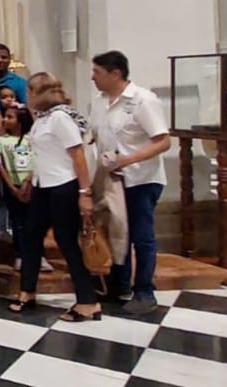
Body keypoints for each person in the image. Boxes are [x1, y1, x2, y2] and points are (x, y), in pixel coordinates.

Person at [10, 73, 101, 322]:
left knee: (66, 241)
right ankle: (27, 291)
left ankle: (87, 301)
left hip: (64, 186)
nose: (26, 96)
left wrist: (85, 193)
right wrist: (30, 178)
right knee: (31, 237)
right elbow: (43, 154)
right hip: (43, 185)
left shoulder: (60, 118)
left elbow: (78, 156)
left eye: (30, 91)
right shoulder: (42, 119)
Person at [90, 50, 170, 314]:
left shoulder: (142, 100)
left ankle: (145, 291)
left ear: (115, 73)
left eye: (97, 72)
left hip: (140, 178)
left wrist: (126, 160)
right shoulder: (100, 102)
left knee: (140, 235)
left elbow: (163, 141)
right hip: (111, 179)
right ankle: (119, 283)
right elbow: (95, 135)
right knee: (115, 231)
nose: (93, 78)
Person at [0, 103, 49, 274]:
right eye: (5, 116)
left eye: (10, 117)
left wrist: (28, 181)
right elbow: (1, 165)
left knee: (35, 222)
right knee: (18, 222)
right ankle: (20, 255)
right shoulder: (1, 141)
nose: (5, 120)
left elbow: (39, 159)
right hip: (13, 186)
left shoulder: (31, 139)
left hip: (32, 184)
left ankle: (39, 255)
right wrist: (12, 187)